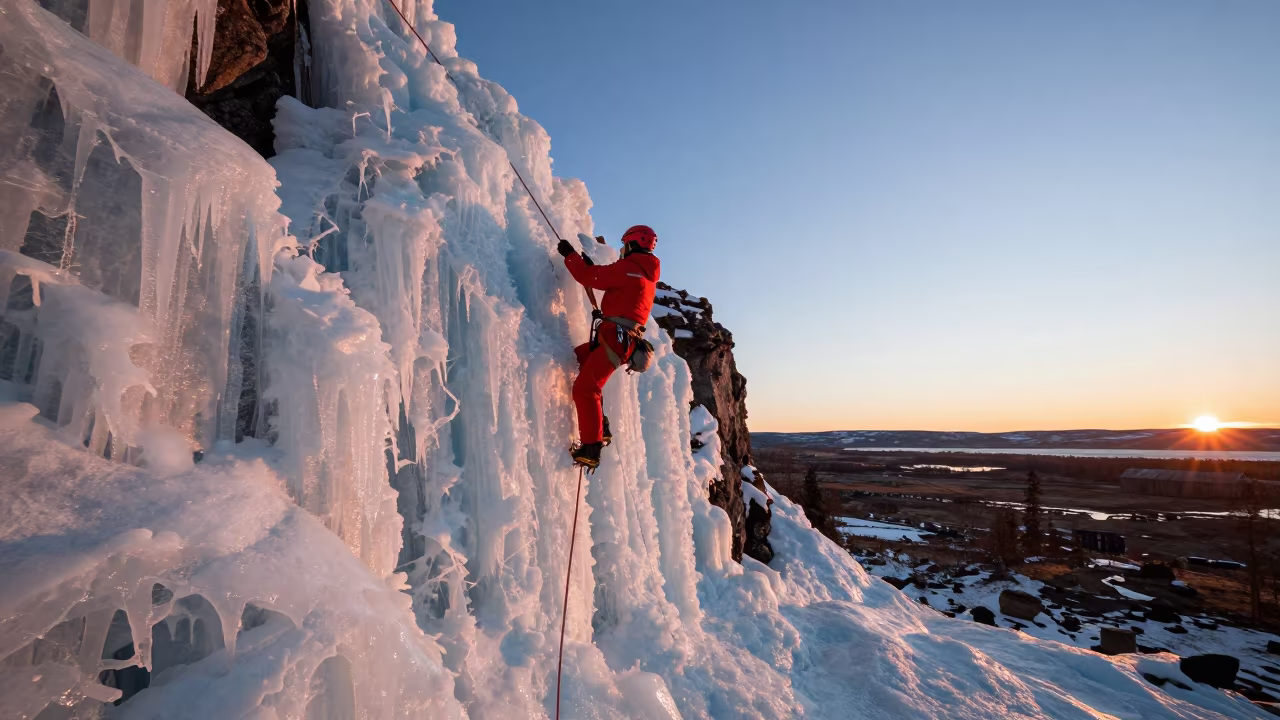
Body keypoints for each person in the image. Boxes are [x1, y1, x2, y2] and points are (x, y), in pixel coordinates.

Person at [558, 225, 660, 469]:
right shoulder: (644, 274)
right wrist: (590, 265)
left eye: (625, 245)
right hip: (620, 338)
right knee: (579, 359)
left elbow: (587, 277)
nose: (622, 250)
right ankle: (600, 426)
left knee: (585, 388)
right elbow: (608, 279)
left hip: (615, 338)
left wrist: (569, 255)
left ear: (632, 244)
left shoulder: (630, 268)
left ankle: (591, 448)